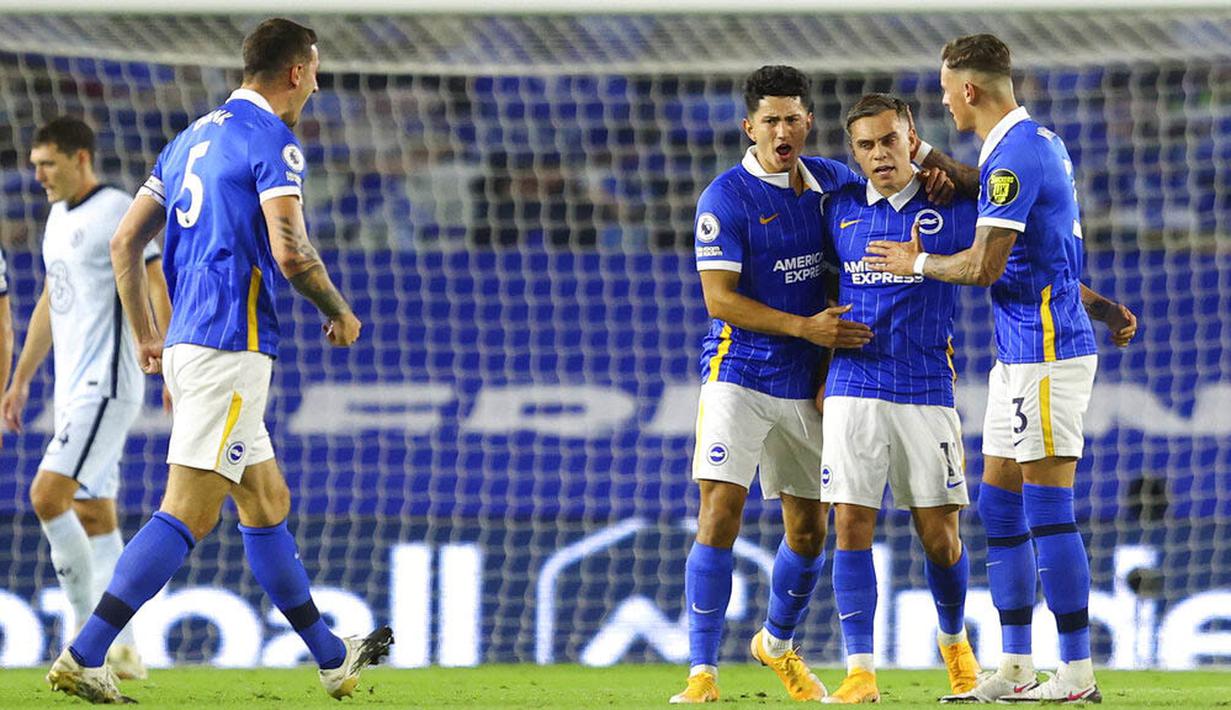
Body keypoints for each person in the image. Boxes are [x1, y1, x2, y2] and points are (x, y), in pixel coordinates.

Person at [46, 18, 392, 703]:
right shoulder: (273, 142)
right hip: (232, 345)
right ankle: (87, 653)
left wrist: (150, 334)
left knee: (266, 503)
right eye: (315, 70)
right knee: (190, 512)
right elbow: (290, 253)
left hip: (187, 344)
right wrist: (337, 309)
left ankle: (331, 656)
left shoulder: (187, 140)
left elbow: (124, 243)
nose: (318, 83)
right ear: (296, 72)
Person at [865, 34, 1138, 704]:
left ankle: (1075, 673)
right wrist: (925, 156)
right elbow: (1044, 249)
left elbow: (984, 266)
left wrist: (915, 263)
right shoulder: (1028, 144)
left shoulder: (1014, 155)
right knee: (998, 506)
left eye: (941, 92)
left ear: (966, 91)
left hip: (1046, 355)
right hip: (1022, 354)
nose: (940, 103)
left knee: (1047, 511)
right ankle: (1016, 666)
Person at [670, 64, 878, 705]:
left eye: (792, 118)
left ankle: (777, 644)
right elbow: (719, 299)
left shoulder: (837, 184)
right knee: (720, 512)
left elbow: (870, 246)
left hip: (808, 380)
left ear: (808, 121)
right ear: (749, 126)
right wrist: (803, 327)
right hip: (738, 371)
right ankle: (702, 674)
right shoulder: (724, 199)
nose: (782, 131)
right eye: (770, 121)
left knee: (810, 532)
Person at [817, 93, 980, 704]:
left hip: (926, 390)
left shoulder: (951, 204)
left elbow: (998, 257)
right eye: (866, 145)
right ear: (854, 153)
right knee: (852, 522)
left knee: (939, 536)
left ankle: (956, 644)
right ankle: (860, 671)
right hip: (854, 385)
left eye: (890, 139)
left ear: (913, 138)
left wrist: (925, 262)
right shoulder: (837, 211)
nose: (880, 153)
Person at [3, 117, 171, 681]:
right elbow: (53, 301)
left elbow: (154, 282)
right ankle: (123, 649)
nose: (39, 176)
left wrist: (167, 357)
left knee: (47, 497)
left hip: (108, 384)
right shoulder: (57, 219)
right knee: (94, 514)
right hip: (75, 389)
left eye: (47, 164)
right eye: (34, 166)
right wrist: (22, 377)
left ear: (80, 158)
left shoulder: (117, 208)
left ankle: (84, 642)